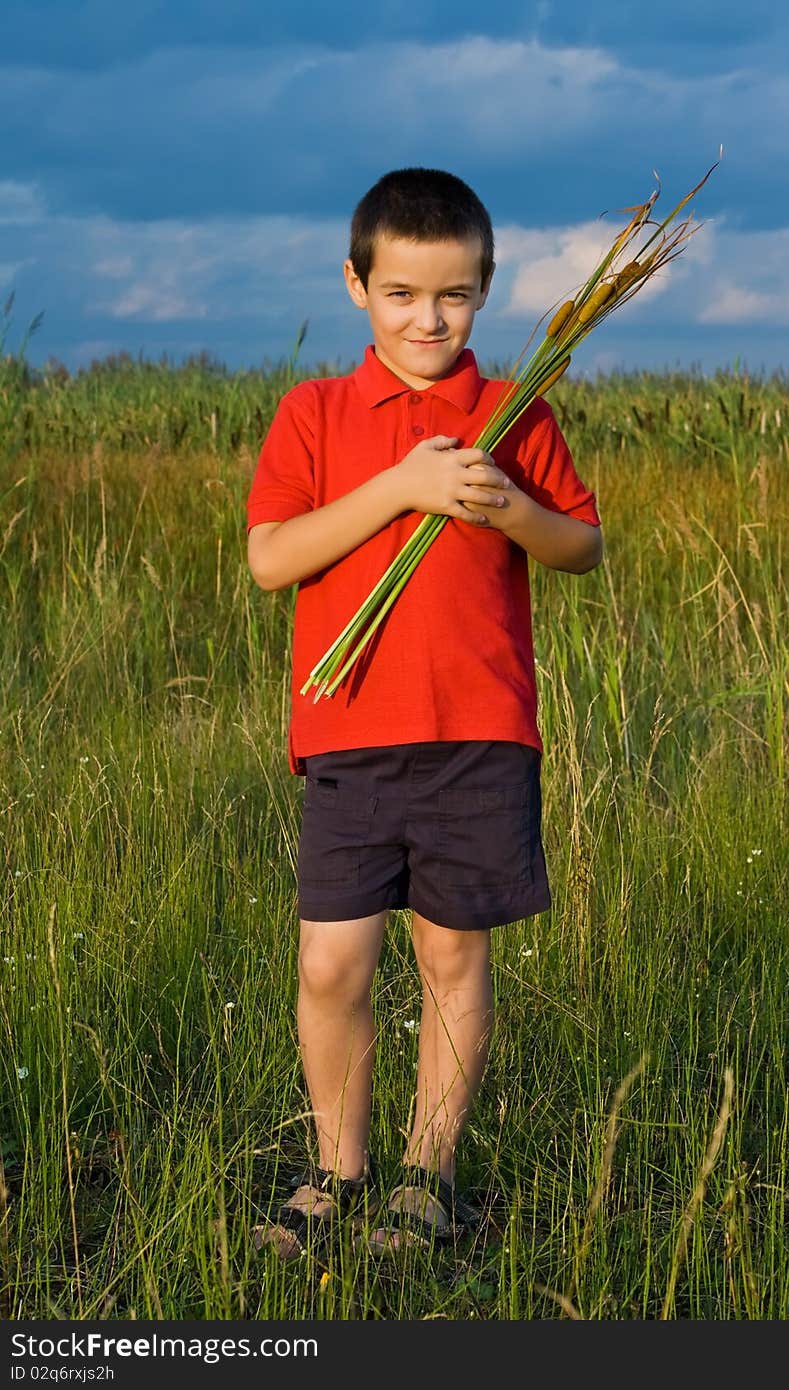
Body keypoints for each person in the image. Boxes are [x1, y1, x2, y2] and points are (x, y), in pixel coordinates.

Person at [245, 167, 603, 1257]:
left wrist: (515, 508)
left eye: (451, 296)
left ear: (485, 292)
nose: (426, 318)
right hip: (351, 731)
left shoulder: (512, 410)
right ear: (356, 285)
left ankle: (425, 1176)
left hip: (478, 732)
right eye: (401, 293)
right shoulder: (315, 412)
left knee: (452, 958)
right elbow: (271, 559)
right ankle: (337, 1171)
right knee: (331, 961)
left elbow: (580, 545)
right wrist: (400, 488)